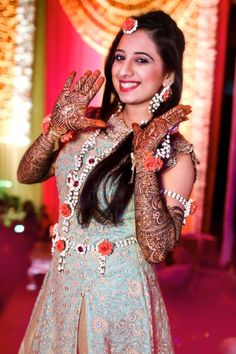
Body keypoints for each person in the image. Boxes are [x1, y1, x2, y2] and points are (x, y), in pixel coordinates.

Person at [17, 10, 198, 354]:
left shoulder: (175, 152)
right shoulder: (88, 122)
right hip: (60, 293)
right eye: (119, 57)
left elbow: (157, 249)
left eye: (141, 60)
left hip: (116, 305)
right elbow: (27, 174)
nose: (125, 70)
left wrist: (145, 167)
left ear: (168, 75)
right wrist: (55, 130)